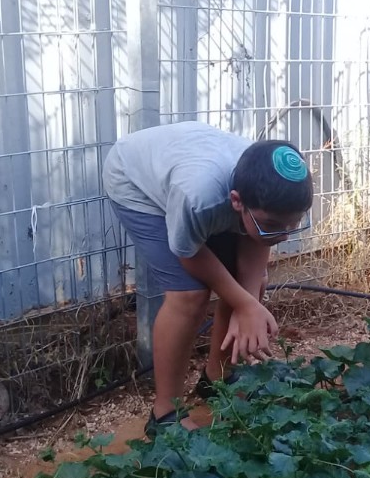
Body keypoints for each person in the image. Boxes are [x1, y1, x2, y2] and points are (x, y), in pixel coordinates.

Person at [103, 123, 313, 436]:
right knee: (189, 296)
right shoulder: (200, 197)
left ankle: (217, 378)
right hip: (135, 181)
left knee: (243, 288)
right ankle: (164, 413)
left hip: (196, 172)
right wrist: (245, 304)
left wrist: (248, 303)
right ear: (237, 201)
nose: (282, 237)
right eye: (273, 226)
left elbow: (254, 258)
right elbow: (188, 252)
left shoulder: (264, 190)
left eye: (292, 226)